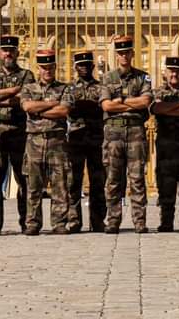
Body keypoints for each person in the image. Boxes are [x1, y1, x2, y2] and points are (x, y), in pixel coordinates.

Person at [99, 35, 153, 234]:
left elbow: (145, 102)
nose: (123, 56)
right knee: (113, 179)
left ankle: (140, 221)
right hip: (113, 132)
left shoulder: (143, 77)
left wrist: (120, 101)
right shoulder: (108, 78)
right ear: (117, 55)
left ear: (132, 53)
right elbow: (106, 105)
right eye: (120, 53)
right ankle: (113, 220)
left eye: (126, 52)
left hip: (136, 132)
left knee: (137, 178)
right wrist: (132, 101)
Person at [18, 49, 73, 235]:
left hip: (56, 141)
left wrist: (38, 110)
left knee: (60, 184)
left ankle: (59, 222)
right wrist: (51, 103)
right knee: (33, 185)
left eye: (50, 67)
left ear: (55, 67)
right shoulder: (29, 88)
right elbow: (27, 106)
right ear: (38, 68)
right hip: (34, 141)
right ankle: (33, 222)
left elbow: (63, 111)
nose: (47, 71)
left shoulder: (65, 88)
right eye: (44, 67)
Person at [0, 35, 35, 234]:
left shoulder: (27, 75)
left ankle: (27, 222)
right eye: (5, 50)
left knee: (24, 179)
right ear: (0, 53)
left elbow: (24, 99)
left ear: (17, 52)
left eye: (11, 50)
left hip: (19, 131)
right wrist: (13, 92)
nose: (8, 53)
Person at [150, 56, 179, 232]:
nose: (174, 74)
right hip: (166, 147)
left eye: (177, 71)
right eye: (171, 70)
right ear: (165, 72)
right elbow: (156, 108)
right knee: (166, 185)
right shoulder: (158, 92)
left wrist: (169, 108)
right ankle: (166, 222)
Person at [64, 51, 107, 233]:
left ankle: (97, 220)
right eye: (80, 65)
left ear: (92, 67)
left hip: (96, 138)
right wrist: (89, 108)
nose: (83, 68)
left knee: (98, 181)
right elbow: (67, 109)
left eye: (87, 65)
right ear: (75, 68)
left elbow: (104, 108)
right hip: (76, 137)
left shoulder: (101, 87)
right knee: (73, 180)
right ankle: (74, 219)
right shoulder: (70, 88)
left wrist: (83, 108)